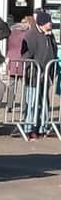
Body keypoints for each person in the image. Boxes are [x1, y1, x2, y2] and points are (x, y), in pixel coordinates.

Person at [21, 11, 57, 140]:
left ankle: (43, 127)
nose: (51, 24)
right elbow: (26, 56)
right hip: (34, 76)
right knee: (32, 103)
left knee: (44, 102)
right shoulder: (31, 35)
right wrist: (32, 70)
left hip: (46, 75)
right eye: (48, 22)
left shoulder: (49, 35)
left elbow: (53, 52)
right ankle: (29, 129)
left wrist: (51, 72)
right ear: (42, 23)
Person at [5, 15, 33, 114]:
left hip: (12, 58)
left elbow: (8, 45)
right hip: (22, 60)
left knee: (12, 85)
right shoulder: (27, 33)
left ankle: (9, 105)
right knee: (25, 85)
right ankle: (24, 106)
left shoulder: (11, 32)